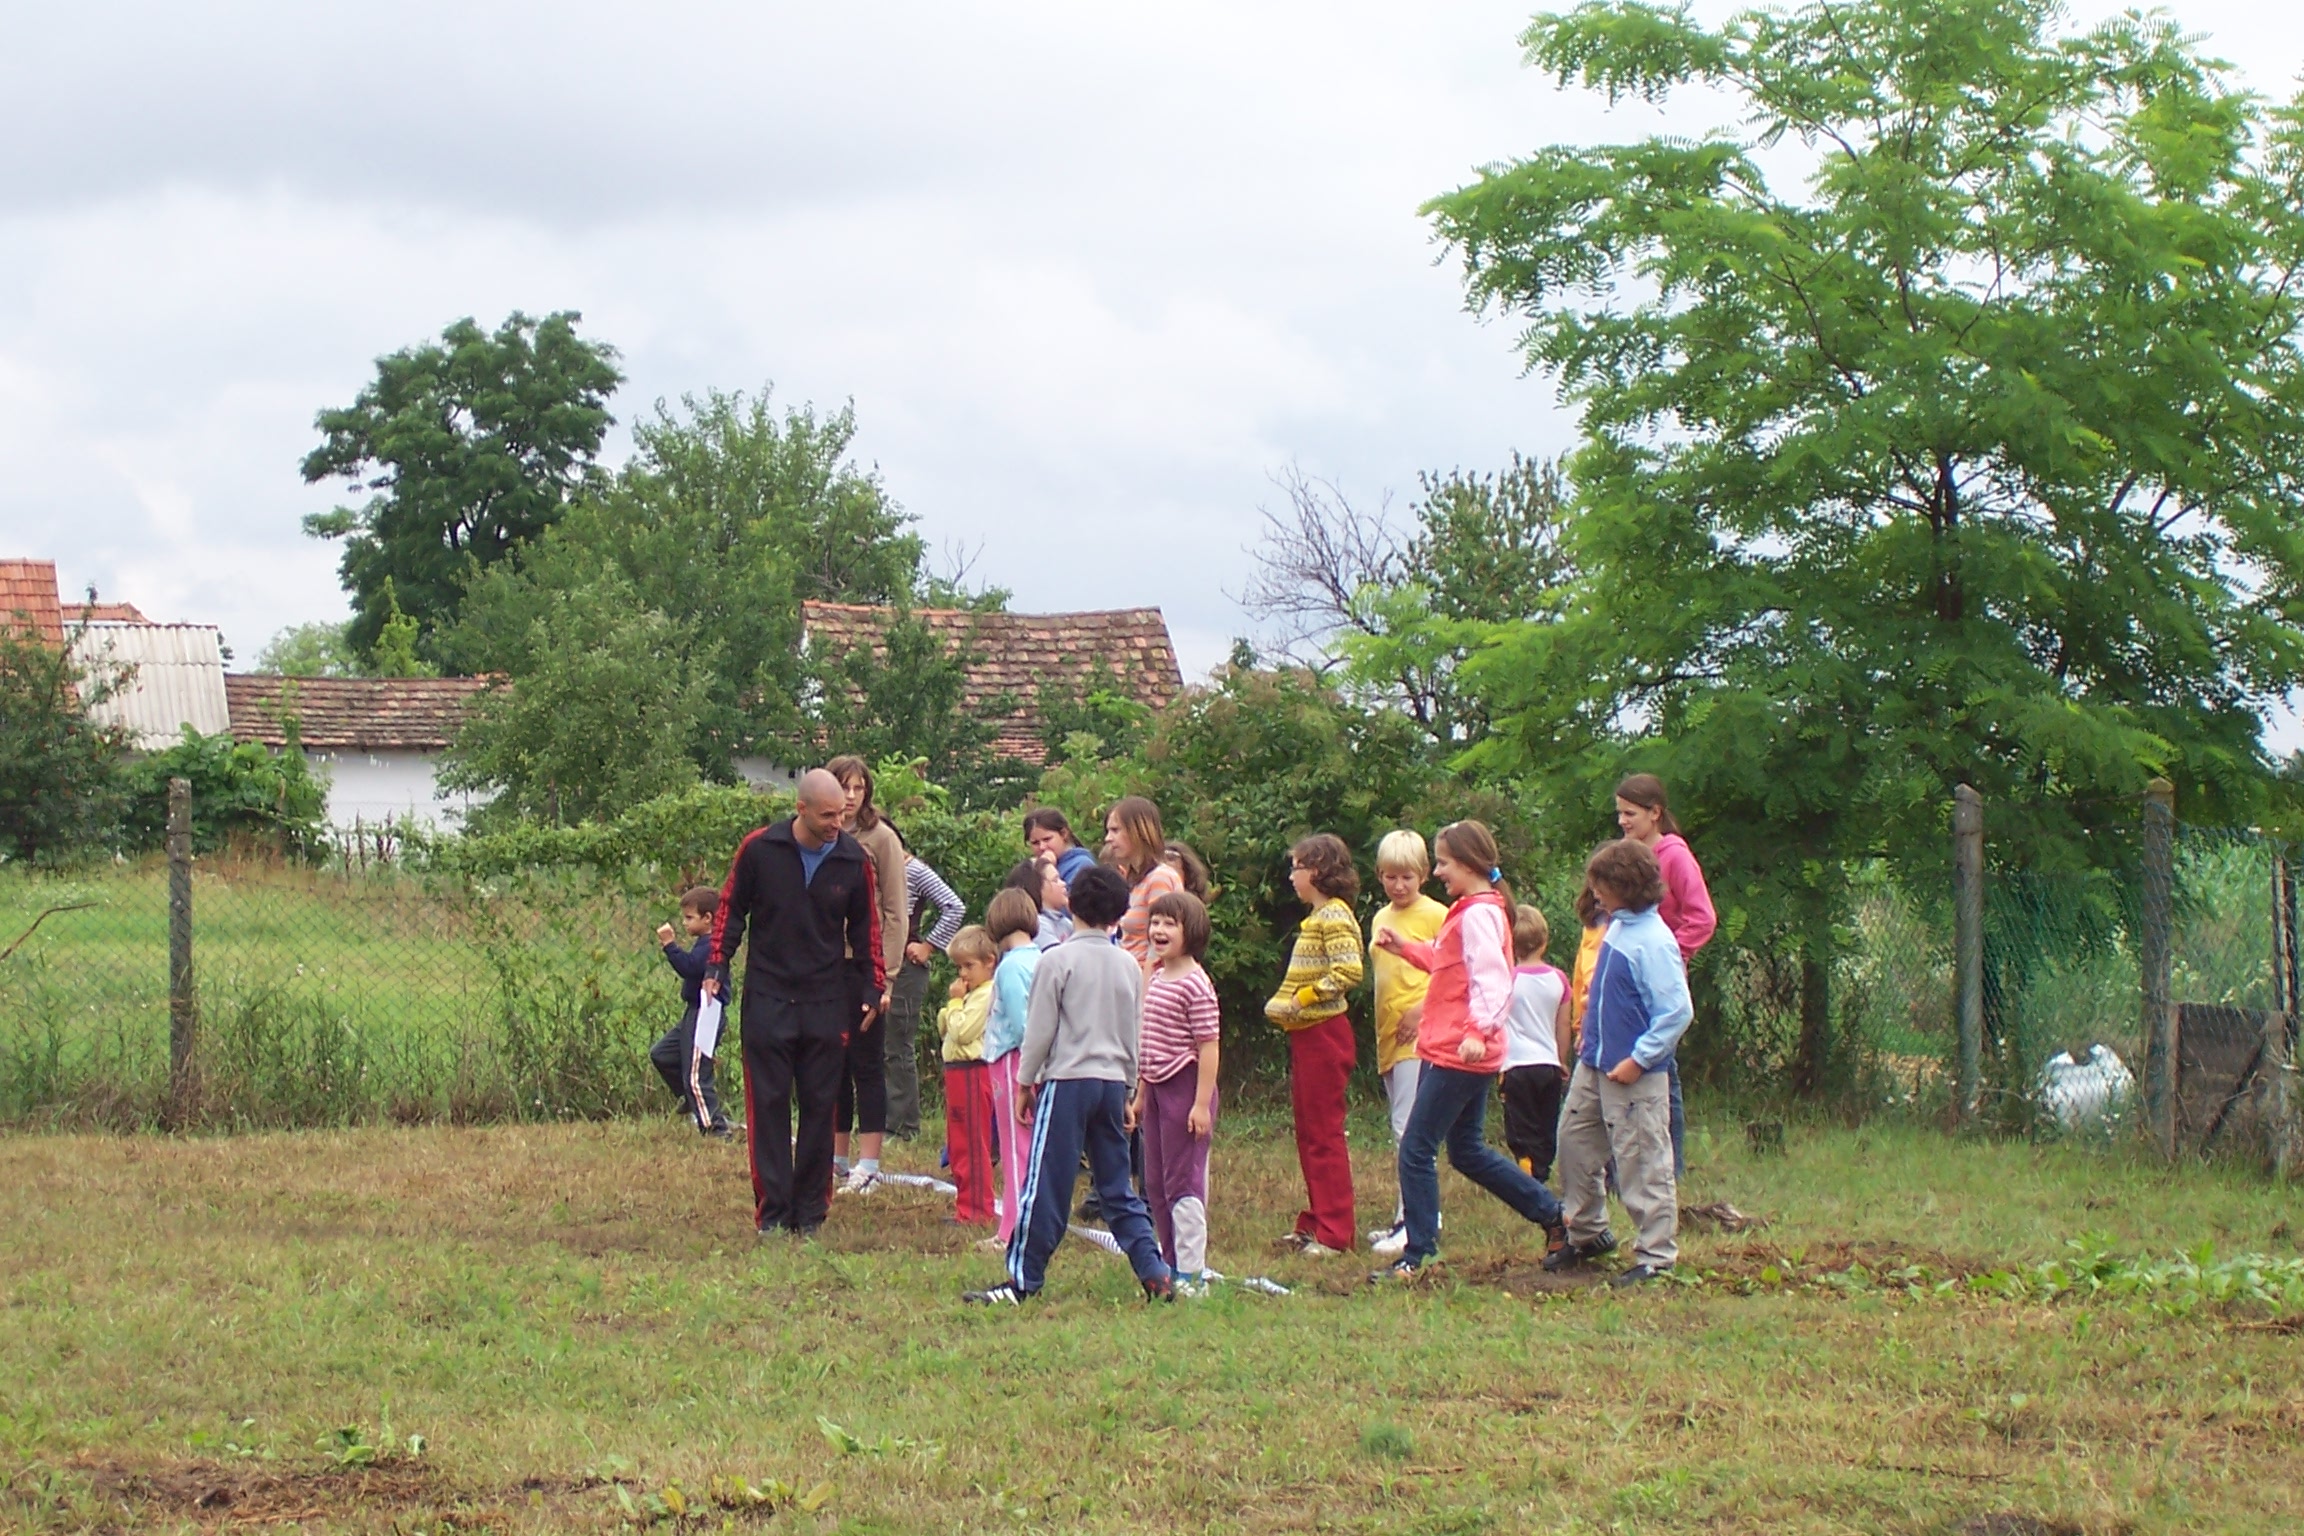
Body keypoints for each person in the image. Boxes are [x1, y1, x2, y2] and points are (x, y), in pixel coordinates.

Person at [964, 864, 1174, 1305]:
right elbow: (1133, 1030)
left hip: (1067, 1083)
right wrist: (1130, 1091)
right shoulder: (1128, 966)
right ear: (1119, 913)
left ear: (1072, 906)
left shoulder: (1056, 959)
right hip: (1112, 1083)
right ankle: (1153, 1270)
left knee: (1047, 1183)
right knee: (1118, 1187)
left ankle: (1022, 1281)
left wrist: (1025, 1083)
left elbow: (1039, 1031)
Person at [1369, 820, 1566, 1281]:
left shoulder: (1478, 912)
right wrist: (1406, 949)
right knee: (1467, 1151)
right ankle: (1554, 1215)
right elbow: (1450, 963)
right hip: (1460, 1047)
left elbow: (1495, 980)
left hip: (1460, 1050)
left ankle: (1419, 1256)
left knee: (1416, 1148)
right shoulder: (1475, 908)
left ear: (1470, 864)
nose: (1437, 872)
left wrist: (1478, 1031)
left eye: (1442, 862)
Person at [706, 768, 882, 1238]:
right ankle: (773, 1213)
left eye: (842, 815)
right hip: (767, 997)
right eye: (827, 815)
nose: (836, 825)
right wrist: (716, 964)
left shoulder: (852, 859)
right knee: (768, 1104)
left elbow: (867, 932)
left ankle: (810, 1213)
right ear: (800, 810)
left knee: (822, 1105)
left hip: (826, 999)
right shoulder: (760, 849)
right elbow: (730, 908)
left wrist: (872, 987)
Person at [1545, 837, 1693, 1286]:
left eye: (1601, 886)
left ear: (1626, 886)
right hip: (1595, 1064)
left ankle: (1656, 1256)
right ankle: (1588, 1232)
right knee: (1573, 1143)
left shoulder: (1652, 941)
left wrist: (1640, 1058)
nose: (1594, 895)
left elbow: (1676, 1011)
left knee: (1641, 1160)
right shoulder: (1617, 927)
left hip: (1633, 1073)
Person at [1265, 832, 1364, 1257]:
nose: (1291, 876)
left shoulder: (1335, 916)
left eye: (1297, 868)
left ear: (1318, 871)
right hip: (1308, 1034)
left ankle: (1335, 1232)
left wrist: (1304, 998)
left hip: (1325, 1034)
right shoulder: (1320, 917)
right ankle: (1317, 1220)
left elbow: (1348, 971)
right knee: (1308, 1133)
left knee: (1323, 1134)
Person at [1614, 773, 1715, 1177]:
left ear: (1656, 813)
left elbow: (1702, 918)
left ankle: (1668, 1167)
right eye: (1619, 813)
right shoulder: (1628, 852)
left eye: (1630, 813)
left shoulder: (1674, 856)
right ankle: (1626, 1166)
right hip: (1625, 980)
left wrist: (1669, 952)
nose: (1622, 821)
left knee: (1659, 1069)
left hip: (1657, 984)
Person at [1130, 889, 1220, 1292]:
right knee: (1156, 1182)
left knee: (1183, 1181)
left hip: (1185, 1087)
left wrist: (1201, 1104)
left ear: (1192, 931)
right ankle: (1170, 1262)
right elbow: (1149, 1042)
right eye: (1156, 922)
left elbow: (1208, 1046)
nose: (1159, 930)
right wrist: (1141, 1095)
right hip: (1157, 1088)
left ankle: (1192, 1273)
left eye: (1170, 923)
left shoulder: (1196, 983)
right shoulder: (1158, 975)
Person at [826, 755, 908, 1194]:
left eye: (859, 788)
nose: (852, 796)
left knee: (866, 1061)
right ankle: (837, 1158)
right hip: (825, 964)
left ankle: (869, 1163)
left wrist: (886, 977)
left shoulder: (881, 839)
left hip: (867, 964)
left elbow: (895, 910)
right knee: (832, 1062)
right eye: (844, 787)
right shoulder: (824, 835)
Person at [1367, 830, 1448, 1256]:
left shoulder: (1437, 916)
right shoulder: (1381, 918)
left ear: (1423, 877)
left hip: (1421, 1036)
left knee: (1410, 1129)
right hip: (1387, 1036)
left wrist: (1421, 1012)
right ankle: (1405, 1214)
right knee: (1398, 1127)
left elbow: (1452, 973)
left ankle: (1418, 1219)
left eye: (1408, 878)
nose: (1399, 886)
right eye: (1390, 877)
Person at [883, 840, 965, 1143]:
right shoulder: (877, 868)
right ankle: (884, 1121)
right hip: (877, 964)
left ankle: (904, 1126)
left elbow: (953, 905)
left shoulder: (913, 869)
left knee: (897, 1044)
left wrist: (929, 945)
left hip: (905, 967)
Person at [981, 888, 1043, 1249]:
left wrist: (1027, 1073)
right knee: (1029, 1144)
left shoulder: (1011, 967)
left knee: (1015, 1147)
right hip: (1031, 1062)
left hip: (1013, 1063)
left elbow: (1023, 1023)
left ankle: (1013, 1230)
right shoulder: (1041, 958)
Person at [650, 886, 730, 1137]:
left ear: (708, 918)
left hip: (706, 1013)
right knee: (662, 1054)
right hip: (692, 1012)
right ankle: (691, 1099)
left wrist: (669, 945)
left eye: (689, 917)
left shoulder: (711, 945)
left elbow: (691, 968)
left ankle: (714, 1129)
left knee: (696, 1074)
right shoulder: (703, 942)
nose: (684, 923)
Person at [1501, 905, 1571, 1183]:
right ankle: (1542, 1166)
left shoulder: (1507, 978)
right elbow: (1563, 1024)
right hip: (1548, 1063)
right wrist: (1561, 1058)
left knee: (1521, 1125)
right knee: (1546, 1122)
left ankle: (1527, 1170)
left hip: (1516, 1064)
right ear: (1544, 941)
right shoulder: (1559, 979)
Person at [937, 925, 1000, 1227]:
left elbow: (961, 1032)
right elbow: (943, 1026)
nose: (963, 974)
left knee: (973, 1143)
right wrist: (953, 1010)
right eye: (959, 967)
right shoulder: (971, 995)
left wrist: (954, 1004)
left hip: (973, 1072)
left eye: (969, 966)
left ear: (990, 961)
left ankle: (977, 1209)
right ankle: (965, 1203)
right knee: (959, 1142)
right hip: (956, 1073)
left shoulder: (984, 995)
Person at [1106, 796, 1182, 972]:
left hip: (1147, 980)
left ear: (1138, 831)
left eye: (1115, 830)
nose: (1108, 839)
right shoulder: (1136, 879)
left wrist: (1144, 993)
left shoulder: (1160, 878)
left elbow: (1158, 946)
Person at [1006, 857, 1072, 948]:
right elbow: (1058, 960)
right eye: (1055, 880)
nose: (1063, 883)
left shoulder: (1063, 921)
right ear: (1037, 889)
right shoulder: (1038, 925)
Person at [1023, 807, 1098, 885]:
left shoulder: (1082, 866)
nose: (1042, 847)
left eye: (1047, 839)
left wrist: (1047, 868)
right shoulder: (1032, 868)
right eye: (1035, 843)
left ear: (1063, 834)